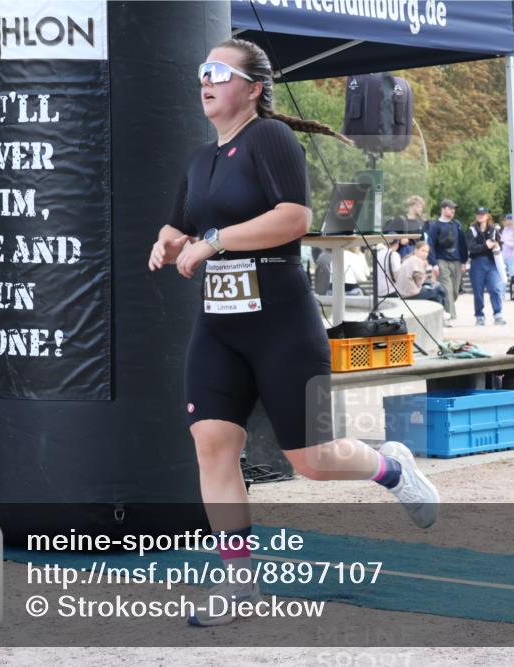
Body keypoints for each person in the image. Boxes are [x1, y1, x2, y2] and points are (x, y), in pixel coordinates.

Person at [146, 38, 439, 626]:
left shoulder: (270, 139)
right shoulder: (200, 160)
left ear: (252, 89)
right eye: (201, 70)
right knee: (212, 444)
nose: (205, 80)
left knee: (311, 460)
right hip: (219, 327)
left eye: (218, 72)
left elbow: (294, 218)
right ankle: (238, 579)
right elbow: (179, 222)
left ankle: (392, 467)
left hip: (281, 324)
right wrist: (168, 240)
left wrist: (215, 241)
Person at [427, 198, 468, 325]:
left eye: (454, 209)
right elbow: (430, 244)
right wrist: (434, 263)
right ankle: (449, 317)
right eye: (450, 208)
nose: (453, 210)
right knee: (447, 289)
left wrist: (464, 261)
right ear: (443, 209)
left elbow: (463, 243)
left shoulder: (456, 224)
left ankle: (446, 311)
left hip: (456, 261)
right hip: (442, 261)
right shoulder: (435, 226)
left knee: (455, 291)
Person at [466, 207, 505, 325]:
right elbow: (471, 248)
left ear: (487, 216)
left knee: (495, 288)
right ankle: (479, 316)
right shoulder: (471, 230)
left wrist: (496, 245)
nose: (480, 216)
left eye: (483, 214)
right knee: (478, 291)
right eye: (478, 214)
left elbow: (499, 246)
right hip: (477, 263)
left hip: (491, 262)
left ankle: (498, 314)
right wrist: (485, 246)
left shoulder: (493, 229)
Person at [395, 241, 446, 306]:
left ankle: (441, 312)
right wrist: (426, 269)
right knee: (438, 287)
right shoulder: (417, 260)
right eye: (422, 251)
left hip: (402, 293)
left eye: (427, 252)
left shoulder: (408, 258)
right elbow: (420, 282)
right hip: (411, 294)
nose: (425, 254)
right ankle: (442, 312)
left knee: (437, 294)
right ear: (416, 250)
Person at [499, 214, 514, 300]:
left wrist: (505, 242)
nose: (509, 221)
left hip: (512, 257)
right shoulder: (504, 230)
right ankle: (501, 295)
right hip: (503, 256)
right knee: (502, 276)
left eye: (510, 220)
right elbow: (501, 242)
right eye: (507, 220)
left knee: (513, 277)